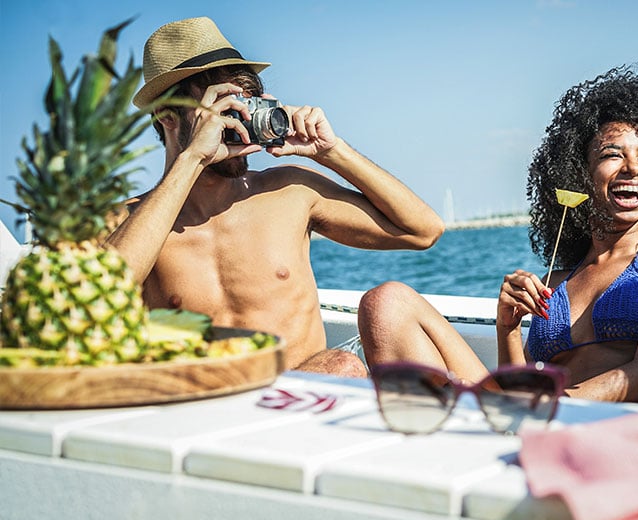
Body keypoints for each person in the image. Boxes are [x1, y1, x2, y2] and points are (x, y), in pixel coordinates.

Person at [106, 17, 444, 375]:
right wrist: (193, 159)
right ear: (167, 116)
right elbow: (98, 297)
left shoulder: (290, 191)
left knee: (342, 365)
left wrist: (331, 151)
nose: (237, 120)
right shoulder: (132, 223)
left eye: (245, 104)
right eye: (222, 106)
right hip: (209, 408)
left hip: (307, 395)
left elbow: (423, 230)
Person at [358, 66, 638, 402]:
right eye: (612, 154)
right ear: (578, 172)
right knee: (386, 302)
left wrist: (552, 403)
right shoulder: (553, 284)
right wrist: (507, 327)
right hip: (530, 417)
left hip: (602, 426)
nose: (633, 168)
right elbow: (518, 385)